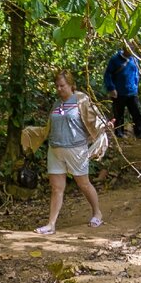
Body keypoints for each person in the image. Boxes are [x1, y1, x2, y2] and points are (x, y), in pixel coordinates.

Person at [35, 70, 105, 235]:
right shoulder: (56, 104)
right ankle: (51, 224)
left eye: (62, 86)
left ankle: (97, 213)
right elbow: (50, 126)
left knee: (83, 184)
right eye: (57, 86)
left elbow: (95, 119)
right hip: (55, 150)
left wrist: (105, 126)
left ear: (71, 85)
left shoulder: (81, 100)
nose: (59, 89)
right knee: (56, 188)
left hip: (76, 149)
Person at [103, 46, 141, 139]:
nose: (131, 50)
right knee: (119, 114)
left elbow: (136, 73)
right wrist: (111, 88)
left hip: (132, 92)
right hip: (118, 93)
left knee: (136, 112)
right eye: (130, 48)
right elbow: (108, 74)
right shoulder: (115, 59)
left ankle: (140, 132)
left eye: (133, 48)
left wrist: (136, 86)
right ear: (125, 48)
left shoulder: (135, 59)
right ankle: (119, 133)